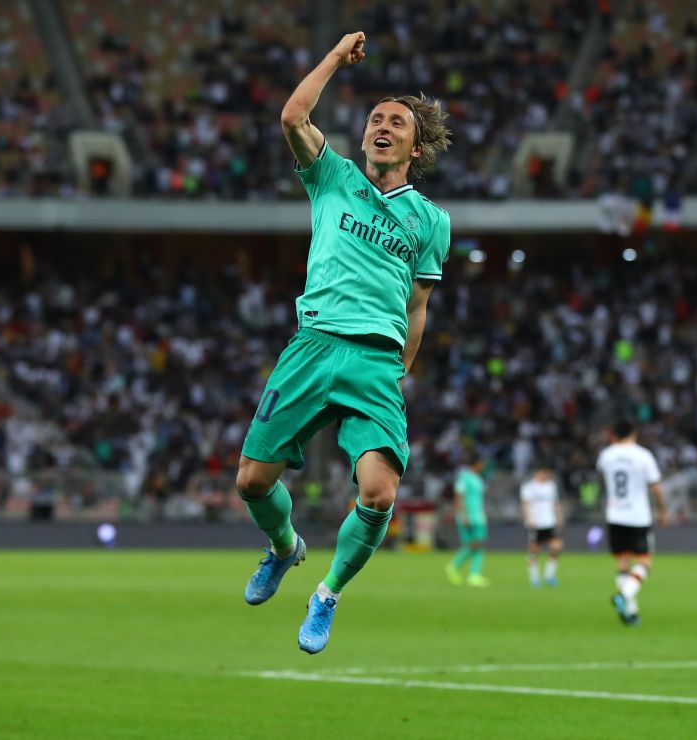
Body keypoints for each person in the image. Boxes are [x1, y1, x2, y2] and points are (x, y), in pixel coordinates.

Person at [234, 31, 452, 654]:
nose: (383, 126)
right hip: (313, 344)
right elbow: (293, 115)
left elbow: (418, 304)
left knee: (380, 495)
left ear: (417, 144)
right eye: (376, 118)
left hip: (375, 360)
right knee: (252, 481)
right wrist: (333, 57)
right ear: (363, 136)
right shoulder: (332, 177)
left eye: (397, 121)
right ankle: (284, 548)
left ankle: (326, 594)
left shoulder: (430, 221)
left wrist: (399, 369)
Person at [596, 420, 666, 626]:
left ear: (613, 434)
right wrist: (663, 510)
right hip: (638, 516)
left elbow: (602, 477)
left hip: (615, 515)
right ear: (633, 433)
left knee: (622, 562)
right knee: (644, 561)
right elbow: (656, 487)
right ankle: (624, 595)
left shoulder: (606, 455)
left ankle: (631, 613)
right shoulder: (643, 455)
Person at [445, 453, 489, 587]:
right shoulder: (464, 478)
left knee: (478, 545)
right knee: (473, 544)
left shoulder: (478, 478)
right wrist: (463, 515)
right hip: (468, 516)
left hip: (478, 516)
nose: (483, 465)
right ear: (475, 463)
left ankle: (474, 575)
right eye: (481, 463)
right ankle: (453, 566)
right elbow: (459, 497)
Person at [520, 465, 563, 587]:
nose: (547, 476)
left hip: (549, 522)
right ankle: (534, 578)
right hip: (536, 523)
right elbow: (525, 504)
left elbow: (555, 503)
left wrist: (558, 517)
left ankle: (549, 575)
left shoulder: (551, 486)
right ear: (539, 472)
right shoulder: (529, 487)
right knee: (534, 550)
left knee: (556, 546)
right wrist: (529, 518)